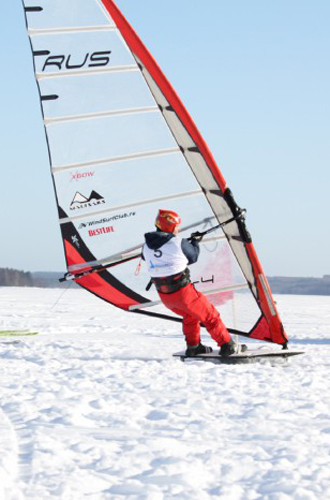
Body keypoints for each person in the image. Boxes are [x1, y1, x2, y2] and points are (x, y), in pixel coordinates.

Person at [142, 209, 247, 357]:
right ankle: (227, 345)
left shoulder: (145, 246)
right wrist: (195, 243)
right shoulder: (179, 242)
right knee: (210, 316)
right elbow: (193, 257)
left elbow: (150, 256)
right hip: (183, 293)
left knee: (190, 316)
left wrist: (188, 243)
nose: (178, 229)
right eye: (176, 226)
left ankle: (194, 346)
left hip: (165, 296)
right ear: (170, 226)